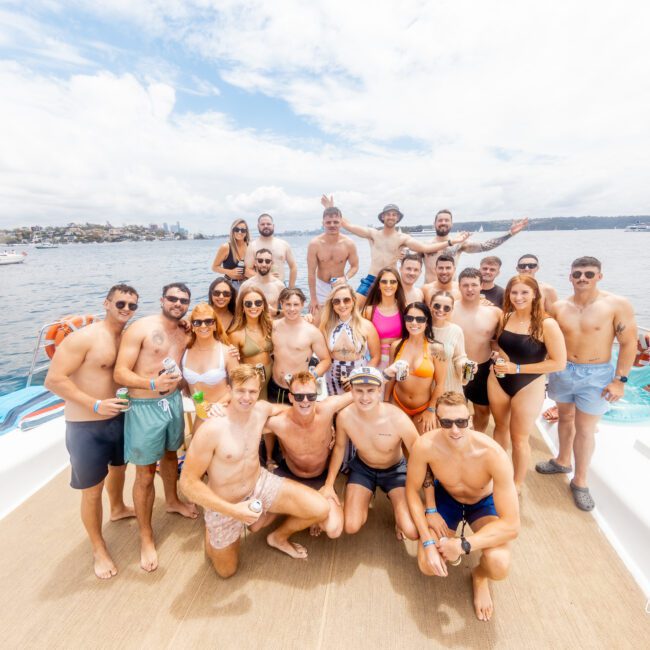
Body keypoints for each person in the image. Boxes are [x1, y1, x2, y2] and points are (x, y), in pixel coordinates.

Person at [179, 365, 330, 575]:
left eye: (252, 391)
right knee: (226, 571)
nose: (246, 398)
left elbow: (289, 409)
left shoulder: (260, 410)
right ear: (229, 390)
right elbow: (187, 483)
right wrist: (234, 511)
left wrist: (318, 419)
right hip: (226, 504)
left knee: (320, 508)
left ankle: (276, 536)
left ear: (258, 392)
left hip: (259, 484)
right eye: (240, 391)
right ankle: (212, 529)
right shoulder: (212, 428)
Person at [44, 284, 138, 580]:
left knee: (120, 468)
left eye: (132, 306)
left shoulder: (126, 337)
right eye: (120, 303)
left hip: (119, 418)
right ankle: (98, 547)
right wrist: (94, 404)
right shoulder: (83, 338)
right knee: (92, 490)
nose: (126, 310)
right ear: (107, 303)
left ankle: (119, 507)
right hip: (87, 425)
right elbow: (54, 380)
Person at [405, 392, 520, 622]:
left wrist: (463, 545)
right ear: (437, 420)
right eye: (446, 423)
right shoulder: (425, 446)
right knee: (427, 564)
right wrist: (428, 541)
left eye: (461, 422)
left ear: (469, 418)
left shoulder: (492, 453)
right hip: (447, 498)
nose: (455, 430)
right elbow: (411, 491)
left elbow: (512, 526)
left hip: (482, 503)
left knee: (499, 564)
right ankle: (440, 544)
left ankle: (479, 577)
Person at [536, 257, 637, 511]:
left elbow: (629, 343)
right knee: (565, 417)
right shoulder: (559, 307)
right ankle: (562, 460)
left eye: (589, 274)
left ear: (599, 277)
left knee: (585, 428)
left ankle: (580, 481)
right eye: (578, 274)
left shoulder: (615, 305)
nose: (582, 278)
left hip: (596, 374)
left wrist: (619, 381)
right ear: (570, 277)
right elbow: (544, 336)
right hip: (563, 370)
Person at [113, 282, 198, 573]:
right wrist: (151, 384)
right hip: (144, 407)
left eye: (183, 300)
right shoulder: (140, 328)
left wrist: (190, 390)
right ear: (162, 299)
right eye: (172, 298)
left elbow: (181, 364)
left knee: (172, 455)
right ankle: (146, 536)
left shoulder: (184, 331)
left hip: (172, 402)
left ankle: (172, 500)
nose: (177, 303)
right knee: (146, 473)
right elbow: (120, 372)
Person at [488, 275, 566, 492]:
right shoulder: (505, 317)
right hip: (499, 379)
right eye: (514, 292)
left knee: (519, 438)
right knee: (499, 428)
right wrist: (501, 357)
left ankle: (516, 484)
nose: (518, 297)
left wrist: (518, 369)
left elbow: (558, 363)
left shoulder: (546, 324)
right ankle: (497, 473)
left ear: (534, 295)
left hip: (528, 383)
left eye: (524, 292)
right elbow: (500, 344)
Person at [323, 366, 418, 540]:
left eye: (370, 391)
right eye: (359, 391)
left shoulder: (398, 418)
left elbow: (419, 455)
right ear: (351, 390)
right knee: (351, 526)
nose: (365, 397)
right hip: (363, 468)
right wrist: (329, 485)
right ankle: (363, 498)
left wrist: (418, 488)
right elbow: (339, 448)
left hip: (395, 471)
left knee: (411, 531)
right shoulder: (345, 416)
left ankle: (398, 512)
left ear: (379, 390)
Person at [321, 195, 469, 301]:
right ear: (382, 217)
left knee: (396, 310)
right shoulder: (373, 234)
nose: (391, 217)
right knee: (355, 307)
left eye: (394, 215)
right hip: (372, 278)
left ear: (398, 218)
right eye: (388, 214)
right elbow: (348, 225)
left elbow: (425, 248)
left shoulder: (402, 238)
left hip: (392, 280)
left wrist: (451, 242)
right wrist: (331, 208)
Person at [264, 371, 353, 538]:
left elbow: (358, 393)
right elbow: (245, 423)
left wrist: (329, 485)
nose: (305, 401)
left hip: (319, 478)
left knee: (334, 529)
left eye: (310, 396)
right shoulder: (279, 422)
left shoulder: (326, 409)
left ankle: (308, 511)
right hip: (290, 476)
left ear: (316, 395)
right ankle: (308, 512)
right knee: (256, 523)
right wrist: (216, 409)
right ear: (290, 398)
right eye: (299, 397)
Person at [384, 302, 447, 433]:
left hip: (423, 408)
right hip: (397, 403)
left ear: (427, 322)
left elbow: (440, 384)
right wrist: (386, 402)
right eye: (409, 318)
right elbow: (390, 378)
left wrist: (431, 409)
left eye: (420, 319)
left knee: (419, 448)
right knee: (396, 447)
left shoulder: (437, 349)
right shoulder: (396, 346)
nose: (414, 323)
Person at [453, 268, 502, 432]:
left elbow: (503, 341)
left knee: (482, 410)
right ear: (459, 286)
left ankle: (477, 437)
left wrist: (499, 355)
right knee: (455, 410)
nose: (470, 289)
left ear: (481, 285)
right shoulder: (448, 310)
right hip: (455, 368)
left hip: (481, 367)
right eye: (465, 285)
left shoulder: (494, 313)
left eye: (474, 284)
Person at [422, 209, 528, 283]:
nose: (443, 222)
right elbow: (409, 260)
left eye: (446, 220)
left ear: (451, 224)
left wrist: (509, 233)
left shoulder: (459, 244)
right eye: (440, 220)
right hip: (428, 292)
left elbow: (485, 246)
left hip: (451, 293)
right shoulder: (424, 246)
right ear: (434, 223)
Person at [182, 303, 238, 433]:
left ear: (214, 325)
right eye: (197, 322)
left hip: (223, 414)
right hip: (201, 417)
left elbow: (238, 387)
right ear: (192, 326)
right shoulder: (184, 351)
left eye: (208, 321)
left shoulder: (227, 352)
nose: (203, 326)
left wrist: (217, 405)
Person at [269, 288, 331, 405]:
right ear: (281, 304)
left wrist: (311, 376)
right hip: (275, 386)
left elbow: (326, 360)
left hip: (300, 390)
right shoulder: (273, 327)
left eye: (296, 304)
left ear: (302, 305)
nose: (292, 309)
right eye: (288, 304)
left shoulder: (312, 332)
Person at [320, 283, 381, 395]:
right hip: (332, 377)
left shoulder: (366, 326)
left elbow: (376, 357)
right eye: (337, 301)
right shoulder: (325, 327)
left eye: (346, 300)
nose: (342, 305)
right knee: (335, 409)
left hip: (359, 376)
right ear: (332, 305)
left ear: (353, 301)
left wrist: (360, 376)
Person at [307, 206, 359, 323]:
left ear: (341, 222)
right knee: (317, 322)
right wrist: (313, 298)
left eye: (335, 222)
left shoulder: (349, 243)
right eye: (328, 222)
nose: (332, 225)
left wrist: (345, 278)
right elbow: (310, 273)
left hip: (339, 285)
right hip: (320, 285)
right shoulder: (315, 244)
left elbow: (355, 266)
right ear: (323, 223)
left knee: (342, 320)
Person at [227, 287, 274, 400]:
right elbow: (233, 367)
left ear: (263, 306)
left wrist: (307, 317)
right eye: (248, 304)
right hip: (252, 381)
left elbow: (289, 322)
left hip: (273, 377)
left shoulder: (270, 326)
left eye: (258, 303)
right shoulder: (235, 334)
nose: (253, 307)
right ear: (242, 307)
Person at [362, 267, 407, 371]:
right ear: (378, 285)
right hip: (375, 362)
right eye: (384, 282)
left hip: (399, 360)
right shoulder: (368, 311)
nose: (388, 285)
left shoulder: (405, 309)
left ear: (398, 285)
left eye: (392, 282)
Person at [430, 291, 471, 393]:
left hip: (450, 388)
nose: (441, 310)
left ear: (452, 309)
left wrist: (467, 366)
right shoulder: (420, 327)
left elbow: (460, 357)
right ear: (430, 305)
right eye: (437, 306)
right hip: (425, 391)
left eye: (446, 308)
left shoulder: (456, 330)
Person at [244, 213, 297, 286]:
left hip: (280, 286)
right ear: (258, 226)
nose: (266, 226)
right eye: (262, 224)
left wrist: (291, 288)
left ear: (273, 226)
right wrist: (267, 277)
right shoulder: (252, 246)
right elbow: (247, 271)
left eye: (268, 224)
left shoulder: (284, 245)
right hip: (259, 288)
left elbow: (293, 267)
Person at [240, 248, 286, 317]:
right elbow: (238, 310)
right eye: (260, 261)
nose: (264, 264)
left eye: (267, 261)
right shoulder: (246, 285)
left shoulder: (279, 286)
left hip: (272, 325)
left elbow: (288, 311)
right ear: (255, 263)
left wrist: (276, 312)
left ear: (271, 263)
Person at [211, 218, 249, 288]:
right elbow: (214, 267)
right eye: (237, 229)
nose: (240, 232)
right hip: (230, 284)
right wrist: (230, 272)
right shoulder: (226, 247)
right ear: (232, 231)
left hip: (247, 284)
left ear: (246, 232)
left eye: (243, 230)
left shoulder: (250, 246)